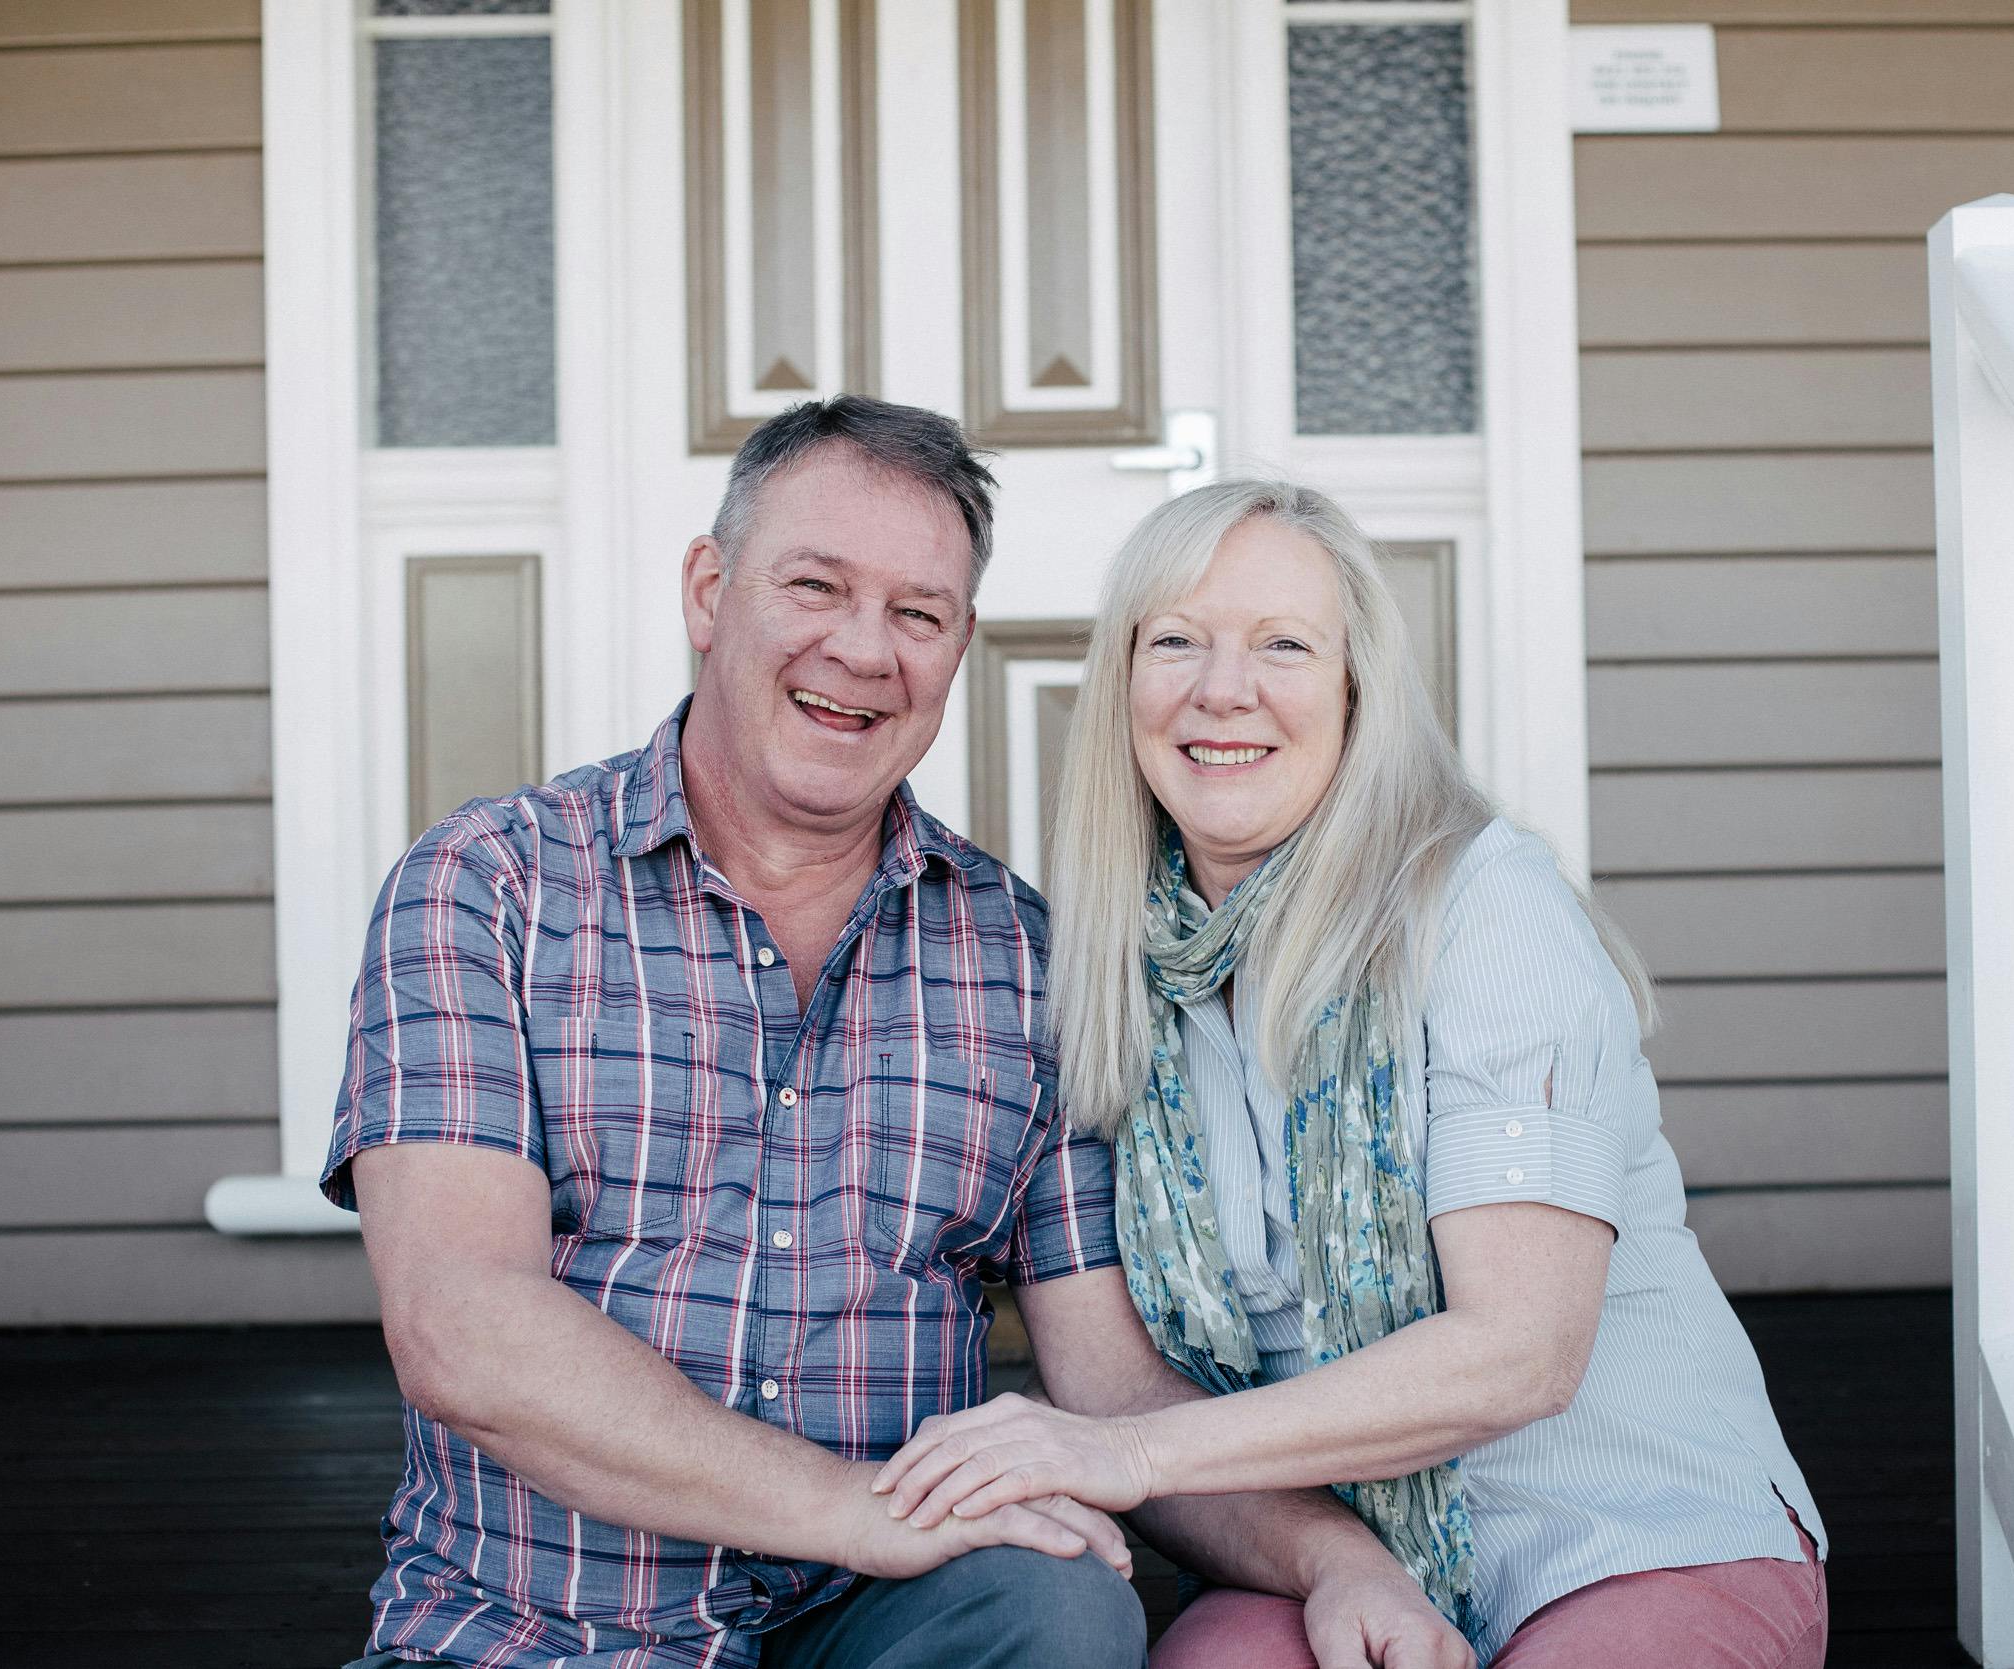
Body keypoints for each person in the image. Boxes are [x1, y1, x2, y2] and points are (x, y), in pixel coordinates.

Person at [322, 403, 1465, 1669]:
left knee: (1061, 1597)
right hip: (539, 1627)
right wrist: (845, 1507)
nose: (863, 651)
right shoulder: (491, 886)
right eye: (814, 586)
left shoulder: (1021, 958)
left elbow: (1114, 1394)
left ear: (959, 645)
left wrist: (1337, 1559)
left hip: (880, 1619)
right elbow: (462, 1323)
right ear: (709, 591)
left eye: (917, 614)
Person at [868, 480, 1830, 1668]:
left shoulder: (1481, 907)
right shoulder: (1104, 975)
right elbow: (1120, 1388)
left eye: (1283, 644)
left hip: (1628, 1528)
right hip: (1332, 1544)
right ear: (1121, 686)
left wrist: (1132, 1457)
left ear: (1355, 692)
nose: (1223, 688)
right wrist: (1334, 1559)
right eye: (1175, 640)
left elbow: (1519, 1349)